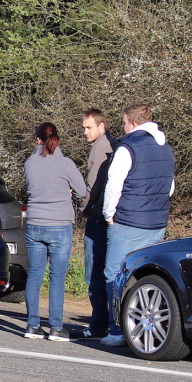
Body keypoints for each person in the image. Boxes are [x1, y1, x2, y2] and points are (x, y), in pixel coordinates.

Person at [101, 104, 175, 347]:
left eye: (123, 123)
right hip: (156, 222)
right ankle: (143, 325)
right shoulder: (165, 148)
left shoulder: (128, 147)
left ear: (132, 123)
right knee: (148, 275)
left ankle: (116, 329)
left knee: (114, 273)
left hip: (129, 221)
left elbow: (114, 184)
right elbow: (170, 187)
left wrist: (109, 214)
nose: (123, 127)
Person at [22, 122, 86, 340]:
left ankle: (32, 325)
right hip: (59, 224)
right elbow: (82, 190)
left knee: (35, 275)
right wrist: (66, 191)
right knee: (57, 277)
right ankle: (56, 327)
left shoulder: (29, 163)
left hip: (34, 224)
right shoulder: (66, 163)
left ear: (38, 140)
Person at [75, 109, 116, 339]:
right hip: (107, 215)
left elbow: (93, 187)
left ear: (102, 125)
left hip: (98, 216)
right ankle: (107, 321)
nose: (85, 132)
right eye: (83, 127)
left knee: (95, 273)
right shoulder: (113, 144)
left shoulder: (101, 148)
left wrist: (83, 210)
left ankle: (99, 323)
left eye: (89, 127)